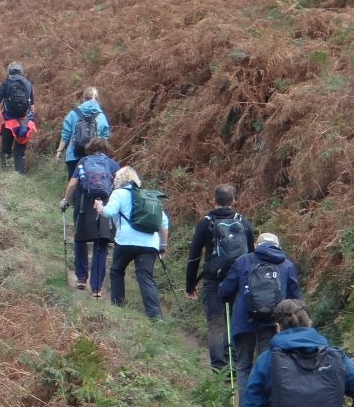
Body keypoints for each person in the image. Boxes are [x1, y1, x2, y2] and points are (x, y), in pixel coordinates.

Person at [219, 232, 302, 397]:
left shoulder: (243, 261)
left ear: (256, 245)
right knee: (267, 367)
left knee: (243, 366)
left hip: (243, 322)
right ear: (278, 247)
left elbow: (224, 291)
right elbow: (296, 300)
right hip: (273, 324)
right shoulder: (286, 265)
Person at [184, 184, 255, 375]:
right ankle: (237, 364)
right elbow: (252, 255)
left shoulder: (205, 223)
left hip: (213, 280)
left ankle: (219, 369)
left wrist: (190, 285)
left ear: (213, 200)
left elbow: (194, 256)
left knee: (216, 322)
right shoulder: (244, 223)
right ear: (233, 201)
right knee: (236, 320)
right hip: (239, 280)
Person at [96, 167, 169, 318]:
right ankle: (155, 317)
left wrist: (99, 207)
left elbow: (109, 212)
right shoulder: (148, 196)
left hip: (126, 241)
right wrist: (163, 246)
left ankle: (118, 307)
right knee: (145, 277)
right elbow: (164, 223)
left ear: (118, 180)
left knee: (116, 271)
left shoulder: (119, 193)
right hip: (150, 243)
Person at [61, 138, 119, 296]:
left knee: (80, 241)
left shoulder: (83, 161)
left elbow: (73, 183)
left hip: (84, 206)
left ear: (89, 149)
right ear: (106, 149)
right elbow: (120, 187)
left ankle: (81, 278)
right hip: (104, 208)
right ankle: (97, 287)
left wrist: (65, 200)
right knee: (101, 245)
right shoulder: (113, 164)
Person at [0, 61, 36, 173]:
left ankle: (6, 173)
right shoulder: (28, 84)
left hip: (8, 122)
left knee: (6, 149)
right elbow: (32, 106)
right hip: (24, 122)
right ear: (21, 72)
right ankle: (19, 175)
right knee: (20, 151)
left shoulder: (6, 83)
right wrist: (30, 119)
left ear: (9, 72)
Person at [56, 87, 111, 178]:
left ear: (84, 98)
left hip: (73, 155)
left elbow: (66, 134)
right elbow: (104, 138)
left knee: (73, 184)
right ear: (96, 99)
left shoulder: (73, 113)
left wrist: (59, 151)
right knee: (91, 184)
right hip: (93, 156)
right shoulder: (101, 116)